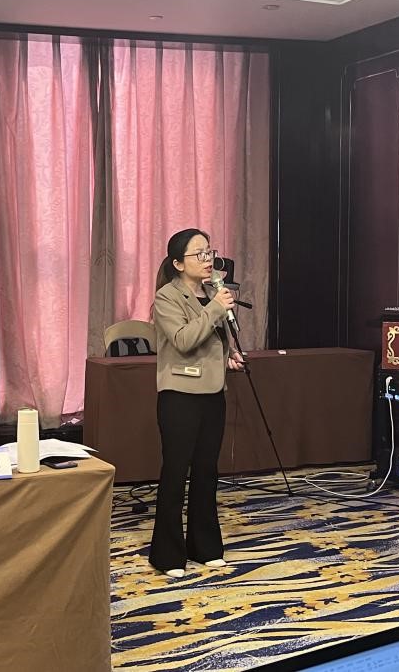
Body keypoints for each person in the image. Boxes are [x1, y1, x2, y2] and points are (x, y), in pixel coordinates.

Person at [149, 228, 245, 578]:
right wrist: (216, 309)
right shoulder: (166, 297)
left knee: (207, 471)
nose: (208, 260)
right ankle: (167, 555)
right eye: (199, 254)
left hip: (212, 393)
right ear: (178, 263)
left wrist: (227, 355)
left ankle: (204, 547)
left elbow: (212, 340)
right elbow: (184, 340)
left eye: (210, 252)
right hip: (179, 395)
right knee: (176, 473)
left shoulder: (211, 293)